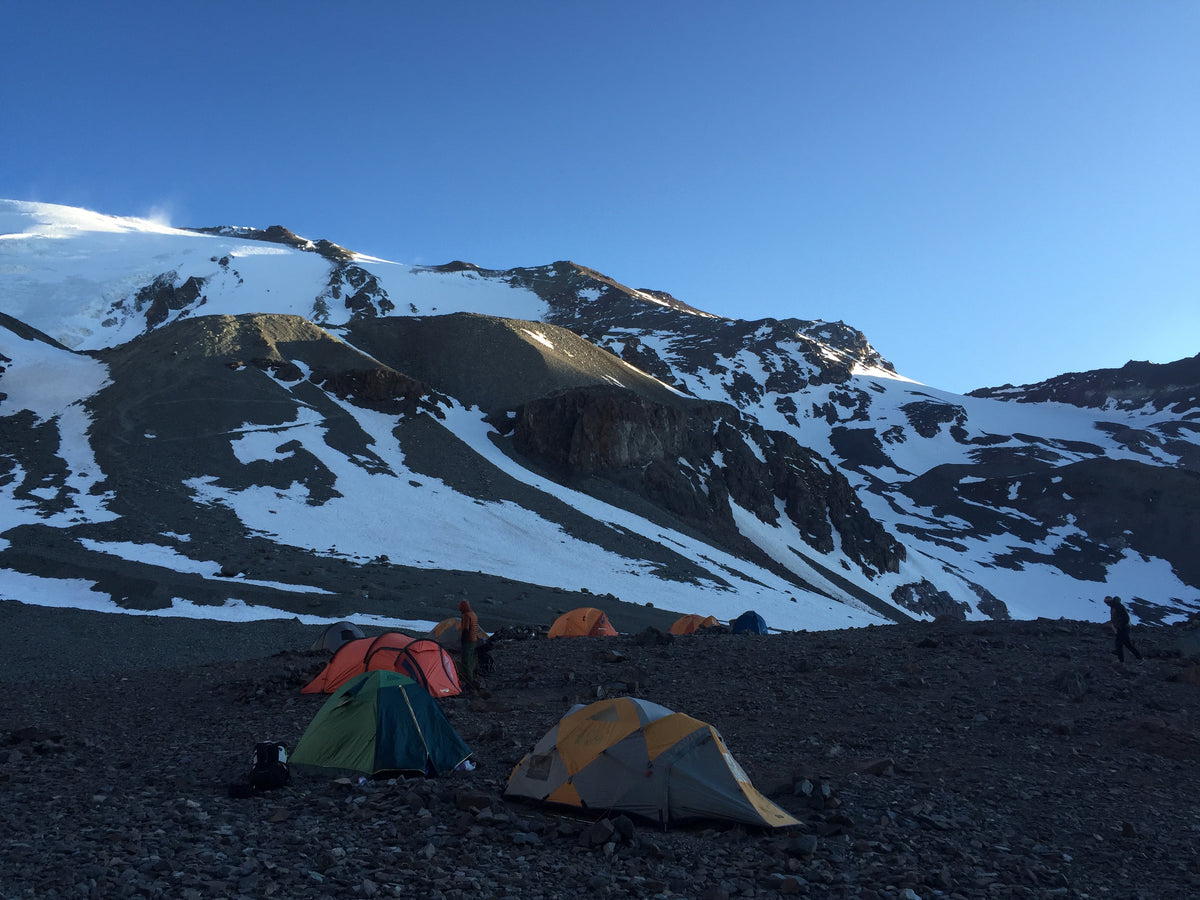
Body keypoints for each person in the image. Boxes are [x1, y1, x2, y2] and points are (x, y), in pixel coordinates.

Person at [1105, 596, 1143, 663]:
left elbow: (1125, 617)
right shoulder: (1114, 607)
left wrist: (1121, 626)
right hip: (1122, 627)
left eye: (1108, 602)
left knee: (1120, 643)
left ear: (1111, 601)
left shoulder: (1117, 606)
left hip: (1123, 628)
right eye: (1106, 602)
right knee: (1125, 644)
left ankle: (1122, 660)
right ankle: (1138, 658)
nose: (1107, 604)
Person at [458, 600, 481, 687]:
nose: (460, 610)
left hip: (468, 641)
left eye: (461, 608)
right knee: (470, 659)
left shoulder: (466, 615)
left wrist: (463, 641)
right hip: (474, 640)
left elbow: (465, 629)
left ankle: (469, 680)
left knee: (466, 660)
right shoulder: (473, 614)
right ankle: (471, 676)